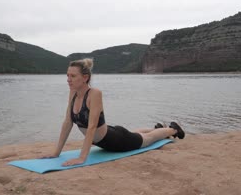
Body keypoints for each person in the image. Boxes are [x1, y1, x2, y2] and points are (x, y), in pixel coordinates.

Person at [43, 58, 185, 166]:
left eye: (73, 76)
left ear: (85, 77)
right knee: (136, 134)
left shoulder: (94, 94)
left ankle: (173, 129)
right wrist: (56, 153)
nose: (68, 79)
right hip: (110, 133)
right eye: (67, 75)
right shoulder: (73, 93)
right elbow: (68, 123)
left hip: (116, 141)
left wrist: (82, 158)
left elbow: (92, 127)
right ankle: (160, 128)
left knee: (149, 139)